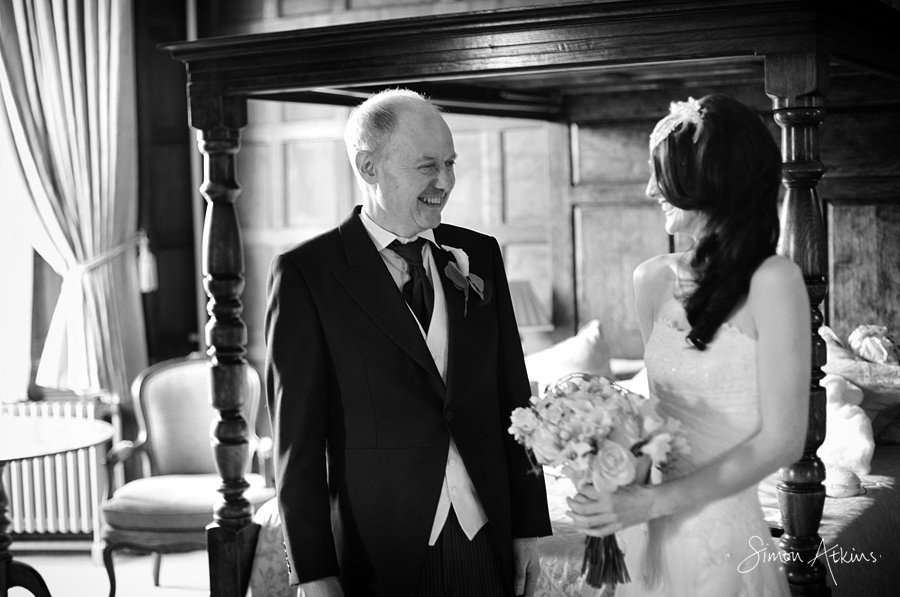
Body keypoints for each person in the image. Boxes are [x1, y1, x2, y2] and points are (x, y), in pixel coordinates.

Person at [265, 88, 551, 597]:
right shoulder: (307, 274)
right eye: (427, 166)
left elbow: (514, 399)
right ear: (369, 167)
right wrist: (313, 573)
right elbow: (298, 445)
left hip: (484, 533)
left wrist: (529, 524)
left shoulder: (479, 256)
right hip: (380, 551)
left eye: (450, 163)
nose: (445, 182)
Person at [566, 93, 810, 596]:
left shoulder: (775, 281)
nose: (651, 187)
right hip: (649, 530)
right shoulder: (650, 278)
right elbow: (656, 415)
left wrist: (652, 502)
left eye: (665, 173)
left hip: (725, 538)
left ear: (713, 178)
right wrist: (606, 462)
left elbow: (783, 441)